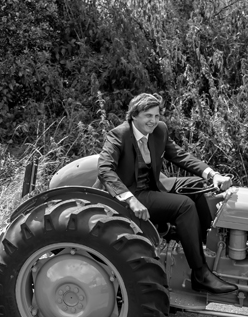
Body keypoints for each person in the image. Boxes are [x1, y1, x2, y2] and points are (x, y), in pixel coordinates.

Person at [97, 93, 237, 295]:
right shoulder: (118, 135)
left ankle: (206, 247)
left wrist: (213, 174)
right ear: (134, 116)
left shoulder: (159, 131)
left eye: (156, 115)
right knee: (184, 205)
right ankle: (200, 274)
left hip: (154, 186)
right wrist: (130, 199)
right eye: (148, 115)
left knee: (198, 187)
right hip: (133, 194)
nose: (153, 121)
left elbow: (179, 155)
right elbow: (104, 170)